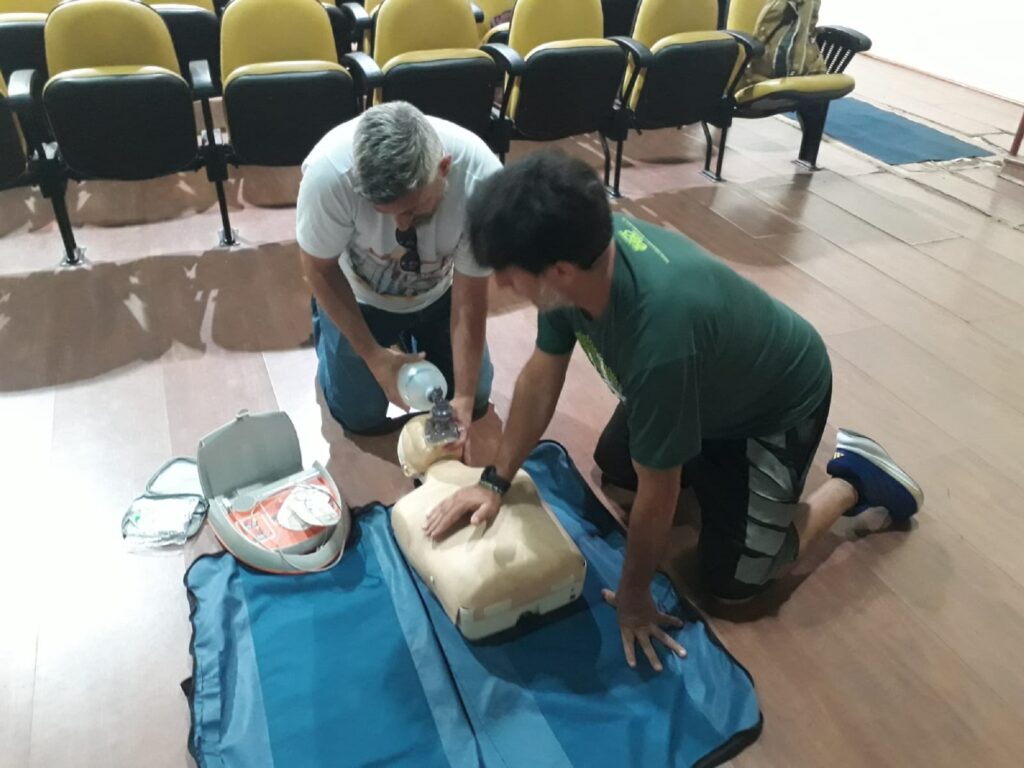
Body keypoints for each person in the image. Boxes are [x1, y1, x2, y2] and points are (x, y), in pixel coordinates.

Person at [424, 150, 923, 672]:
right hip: (705, 385)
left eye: (508, 274)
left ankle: (855, 482)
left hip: (774, 406)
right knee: (618, 472)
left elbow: (659, 496)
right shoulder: (579, 261)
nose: (503, 285)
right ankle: (716, 478)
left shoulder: (658, 336)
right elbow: (539, 377)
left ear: (560, 271)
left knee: (733, 584)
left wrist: (636, 597)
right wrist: (494, 481)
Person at [296, 102, 500, 437]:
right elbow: (319, 270)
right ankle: (330, 329)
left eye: (413, 208)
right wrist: (375, 358)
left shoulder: (482, 182)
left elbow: (470, 301)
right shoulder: (329, 175)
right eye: (384, 211)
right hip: (359, 296)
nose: (401, 224)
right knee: (360, 416)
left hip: (441, 294)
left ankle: (412, 335)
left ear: (444, 168)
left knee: (475, 399)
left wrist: (462, 398)